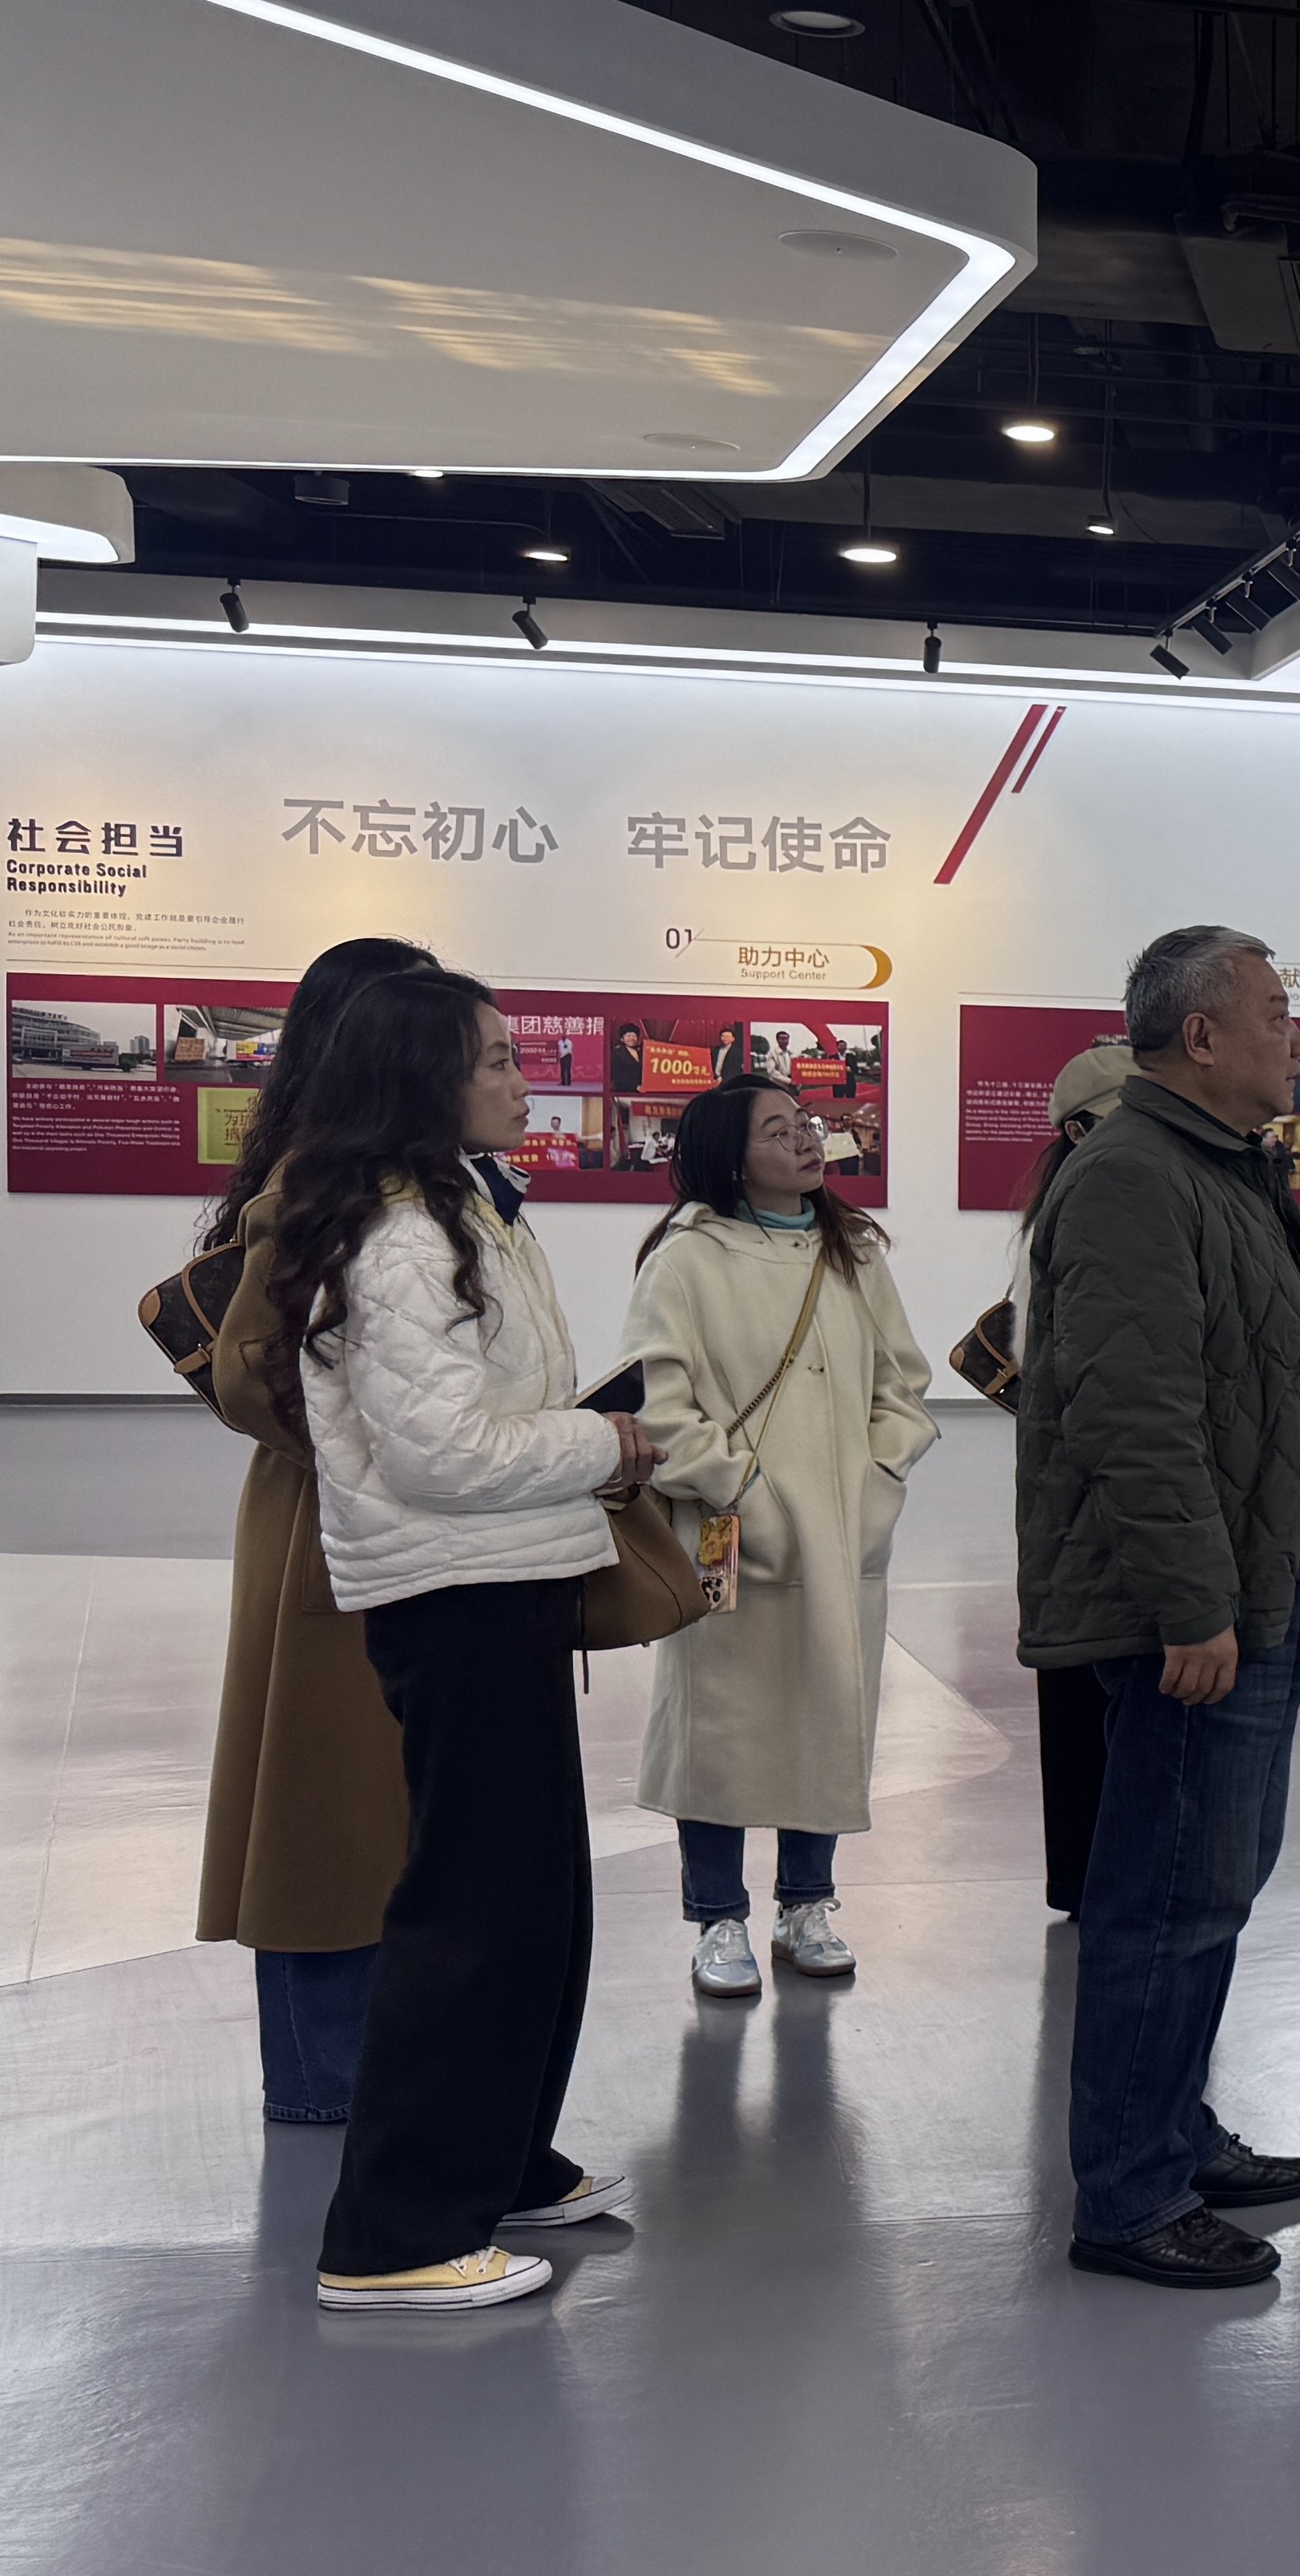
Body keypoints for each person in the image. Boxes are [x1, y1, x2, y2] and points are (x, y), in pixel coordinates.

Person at [276, 969, 656, 2313]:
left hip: (509, 1578)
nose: (519, 1078)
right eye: (494, 1058)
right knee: (472, 1909)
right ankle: (391, 2234)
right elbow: (438, 1453)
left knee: (535, 1898)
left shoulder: (465, 1209)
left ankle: (495, 2160)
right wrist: (603, 1442)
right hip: (455, 1592)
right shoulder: (400, 1239)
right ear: (421, 1078)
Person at [1018, 926, 1300, 2291]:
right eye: (1274, 1014)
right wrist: (1194, 1603)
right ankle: (1131, 2190)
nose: (1297, 1039)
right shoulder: (1133, 1177)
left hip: (1261, 1579)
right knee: (1163, 1896)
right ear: (1199, 1036)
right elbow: (1136, 1413)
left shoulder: (1217, 1164)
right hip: (1202, 1604)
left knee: (1213, 1881)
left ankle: (1172, 2127)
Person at [194, 932, 439, 2129]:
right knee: (321, 1809)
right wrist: (384, 1438)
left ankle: (357, 2075)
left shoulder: (397, 1177)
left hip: (385, 1526)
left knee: (373, 1808)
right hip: (326, 1528)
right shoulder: (317, 1184)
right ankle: (325, 2084)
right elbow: (253, 1373)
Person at [620, 1078, 939, 1998]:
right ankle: (718, 1918)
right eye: (778, 1130)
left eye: (806, 1124)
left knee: (826, 1713)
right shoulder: (685, 1260)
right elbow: (660, 1405)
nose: (806, 1140)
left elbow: (902, 1389)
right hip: (729, 1536)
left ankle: (807, 1903)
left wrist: (877, 1484)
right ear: (730, 1157)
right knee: (718, 1730)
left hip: (843, 1537)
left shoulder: (854, 1251)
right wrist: (746, 1492)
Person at [1014, 1041, 1133, 1915]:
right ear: (1081, 1128)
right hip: (1085, 1484)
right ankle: (1090, 1876)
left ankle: (1094, 1874)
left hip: (1097, 1480)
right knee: (1086, 1671)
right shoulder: (1082, 1213)